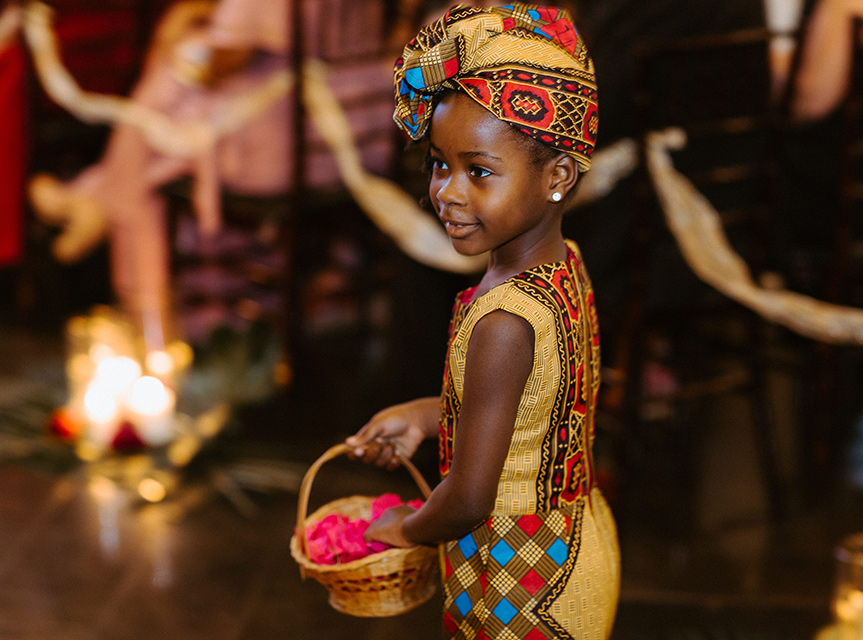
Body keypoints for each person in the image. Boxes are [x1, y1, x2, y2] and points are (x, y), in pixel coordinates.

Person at [344, 5, 620, 638]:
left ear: (557, 176)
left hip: (520, 575)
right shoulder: (562, 266)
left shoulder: (503, 318)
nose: (448, 192)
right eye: (440, 164)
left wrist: (403, 530)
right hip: (576, 536)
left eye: (480, 171)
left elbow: (468, 498)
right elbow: (529, 406)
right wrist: (426, 413)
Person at [28, 0, 394, 345]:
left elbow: (228, 57)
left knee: (169, 81)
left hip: (284, 146)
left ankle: (101, 198)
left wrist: (186, 38)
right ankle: (98, 192)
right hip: (361, 126)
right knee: (175, 95)